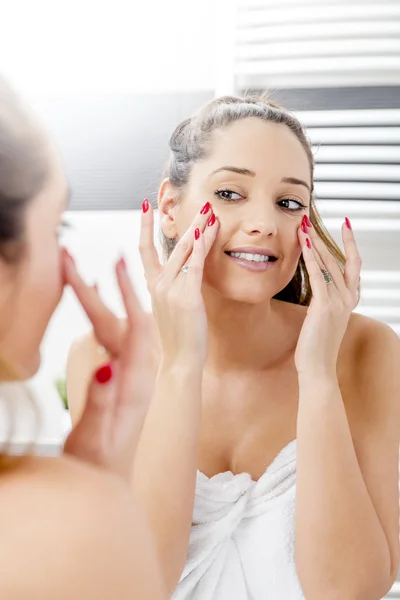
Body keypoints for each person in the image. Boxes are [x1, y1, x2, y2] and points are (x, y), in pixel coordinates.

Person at [68, 94, 400, 599]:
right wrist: (180, 367)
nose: (265, 222)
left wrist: (317, 375)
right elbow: (135, 585)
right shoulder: (104, 356)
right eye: (229, 192)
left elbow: (348, 591)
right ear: (170, 208)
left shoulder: (367, 350)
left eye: (290, 202)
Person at [0, 78, 166, 600]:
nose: (67, 266)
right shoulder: (69, 527)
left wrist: (97, 475)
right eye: (56, 230)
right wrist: (97, 499)